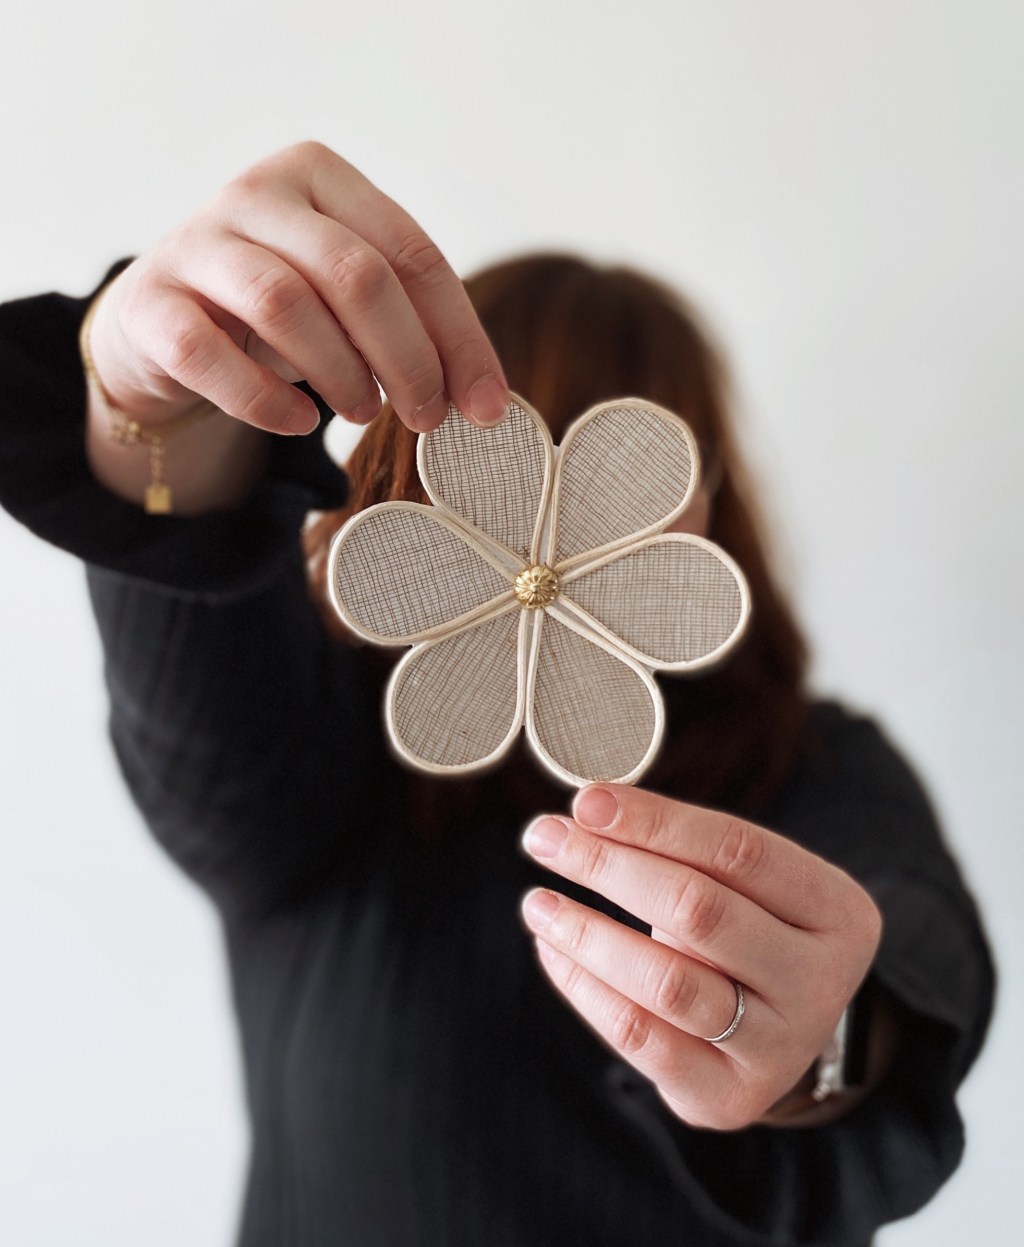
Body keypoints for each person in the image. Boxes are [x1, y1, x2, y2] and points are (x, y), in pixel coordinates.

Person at [0, 141, 994, 1247]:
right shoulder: (315, 738)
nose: (551, 537)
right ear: (414, 478)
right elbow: (208, 737)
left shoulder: (815, 766)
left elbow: (900, 958)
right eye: (514, 466)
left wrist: (820, 1042)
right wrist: (160, 412)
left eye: (619, 474)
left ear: (704, 497)